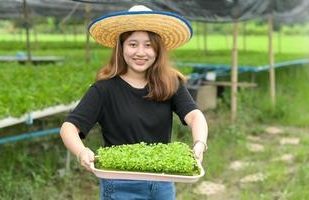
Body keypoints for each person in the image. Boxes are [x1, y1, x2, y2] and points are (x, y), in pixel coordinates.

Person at [59, 5, 208, 200]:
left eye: (148, 45)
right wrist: (82, 152)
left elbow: (195, 116)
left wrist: (200, 143)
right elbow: (69, 127)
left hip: (163, 182)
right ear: (121, 48)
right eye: (132, 44)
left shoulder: (169, 83)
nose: (140, 52)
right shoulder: (104, 89)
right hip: (120, 184)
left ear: (158, 49)